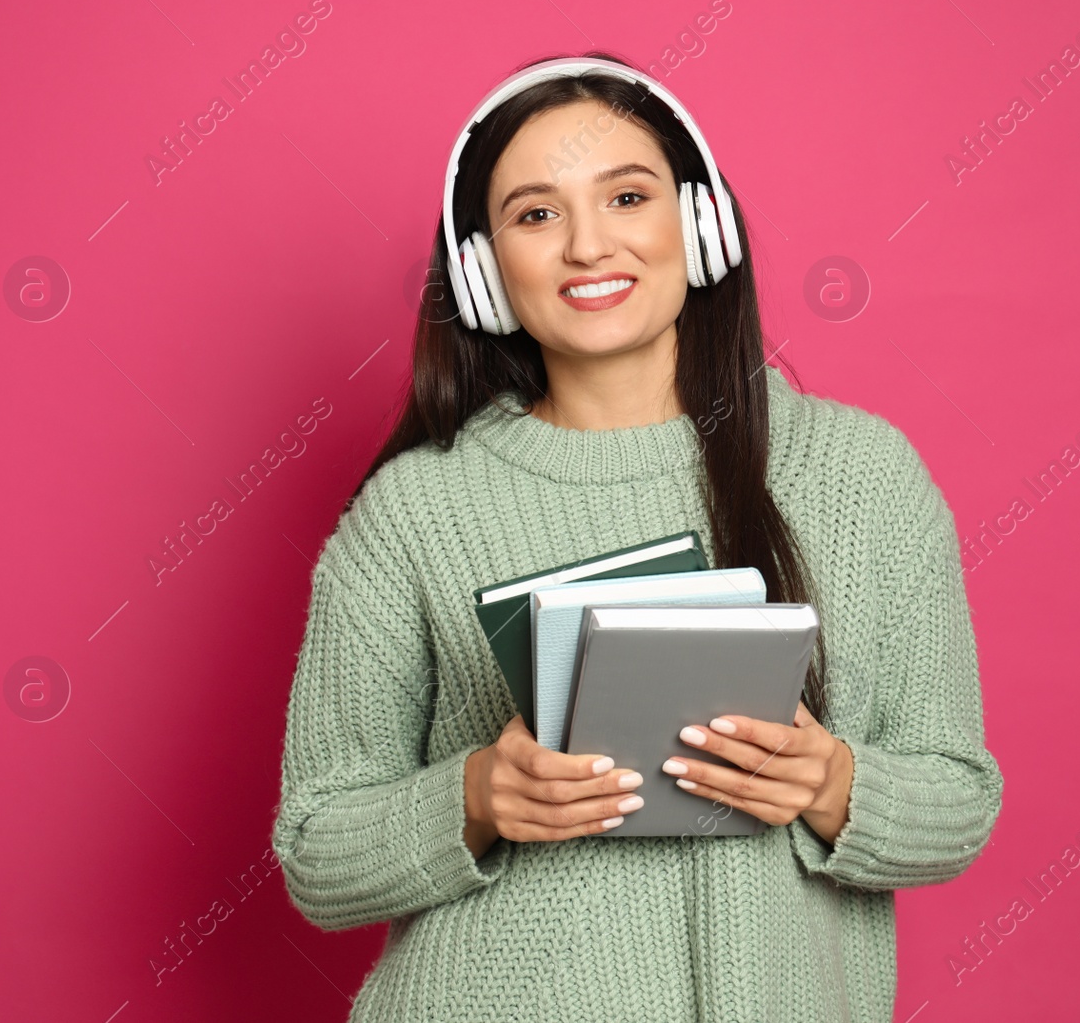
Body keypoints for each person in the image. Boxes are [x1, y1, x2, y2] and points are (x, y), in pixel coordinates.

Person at [270, 50, 1002, 1023]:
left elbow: (956, 801)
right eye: (537, 213)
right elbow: (317, 849)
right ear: (485, 274)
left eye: (625, 196)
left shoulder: (862, 474)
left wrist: (833, 781)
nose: (586, 246)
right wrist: (481, 795)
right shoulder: (414, 510)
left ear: (696, 224)